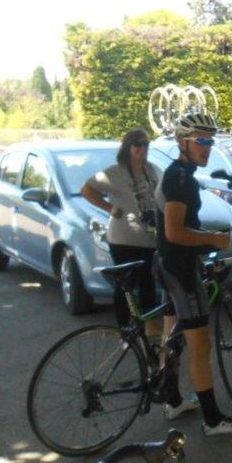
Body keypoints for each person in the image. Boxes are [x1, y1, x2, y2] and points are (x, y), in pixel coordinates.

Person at [157, 110, 232, 435]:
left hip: (170, 266)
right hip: (180, 270)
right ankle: (213, 420)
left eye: (210, 141)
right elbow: (174, 231)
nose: (207, 147)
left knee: (172, 337)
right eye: (200, 141)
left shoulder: (180, 173)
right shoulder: (179, 178)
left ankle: (171, 400)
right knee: (200, 346)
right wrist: (213, 239)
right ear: (182, 142)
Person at [81, 128, 162, 339]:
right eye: (137, 144)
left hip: (149, 238)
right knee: (125, 284)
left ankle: (150, 324)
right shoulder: (114, 172)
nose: (142, 149)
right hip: (123, 239)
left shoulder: (153, 170)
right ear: (128, 147)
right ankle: (124, 327)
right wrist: (109, 209)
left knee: (147, 282)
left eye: (145, 145)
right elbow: (87, 190)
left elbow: (163, 196)